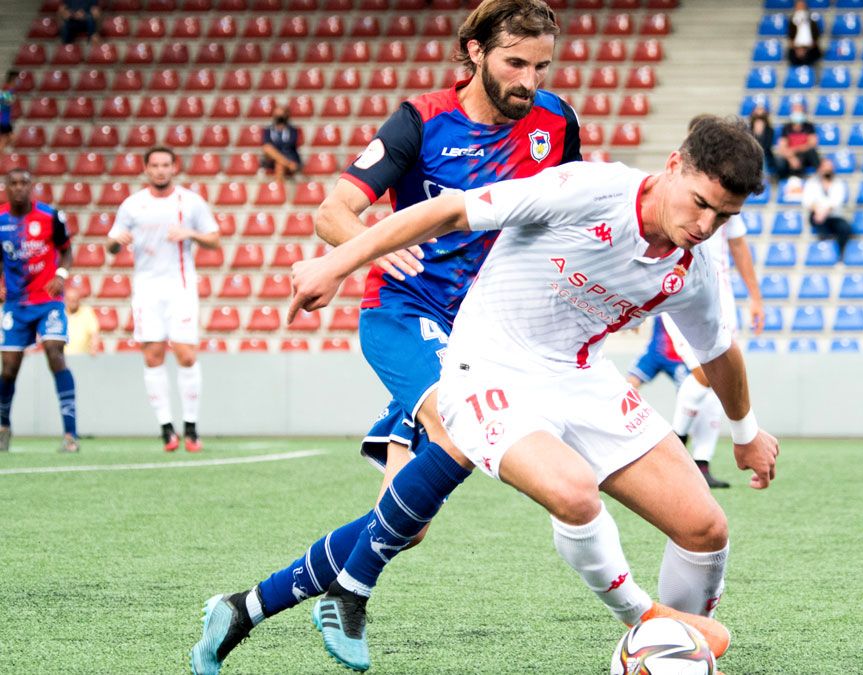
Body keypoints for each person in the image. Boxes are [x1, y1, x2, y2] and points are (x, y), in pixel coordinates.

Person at [288, 114, 779, 671]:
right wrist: (338, 263)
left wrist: (745, 432)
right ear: (673, 166)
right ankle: (647, 620)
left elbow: (719, 350)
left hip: (580, 376)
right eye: (700, 203)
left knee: (706, 529)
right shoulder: (590, 190)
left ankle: (659, 660)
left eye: (725, 216)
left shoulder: (694, 267)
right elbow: (449, 210)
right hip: (488, 366)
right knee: (572, 492)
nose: (707, 224)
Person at [189, 2, 580, 673]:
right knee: (463, 428)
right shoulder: (420, 120)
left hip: (483, 338)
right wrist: (367, 249)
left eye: (541, 65)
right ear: (474, 52)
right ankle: (351, 590)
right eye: (516, 62)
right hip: (404, 314)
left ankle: (242, 607)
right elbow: (332, 211)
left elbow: (565, 216)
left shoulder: (555, 122)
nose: (530, 79)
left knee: (408, 522)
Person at [107, 147, 220, 453]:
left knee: (185, 354)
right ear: (146, 168)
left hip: (180, 287)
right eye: (154, 165)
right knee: (153, 355)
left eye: (165, 165)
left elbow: (214, 238)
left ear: (174, 167)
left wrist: (190, 233)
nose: (160, 170)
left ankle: (192, 429)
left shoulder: (189, 201)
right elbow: (111, 244)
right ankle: (167, 429)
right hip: (146, 289)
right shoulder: (133, 205)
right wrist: (117, 243)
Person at [660, 210, 764, 490]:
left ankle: (700, 463)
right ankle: (675, 444)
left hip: (721, 295)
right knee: (704, 372)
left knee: (720, 378)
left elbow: (739, 245)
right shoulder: (680, 192)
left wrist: (755, 296)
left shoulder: (729, 197)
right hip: (679, 288)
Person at [0, 168, 78, 454]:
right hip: (16, 304)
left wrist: (61, 274)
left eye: (24, 183)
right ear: (6, 187)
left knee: (55, 353)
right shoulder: (0, 221)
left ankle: (71, 434)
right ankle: (3, 427)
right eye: (13, 183)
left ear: (31, 186)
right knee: (8, 368)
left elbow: (67, 250)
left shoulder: (50, 216)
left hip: (48, 300)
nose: (19, 188)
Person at [800, 157, 852, 258]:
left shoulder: (838, 183)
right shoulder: (812, 183)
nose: (827, 170)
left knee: (845, 228)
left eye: (829, 168)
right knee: (820, 226)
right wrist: (818, 211)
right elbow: (807, 201)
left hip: (833, 216)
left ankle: (840, 254)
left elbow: (837, 201)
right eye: (825, 167)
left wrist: (824, 211)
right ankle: (824, 254)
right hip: (816, 215)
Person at [773, 100, 819, 182]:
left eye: (799, 110)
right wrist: (791, 158)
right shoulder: (786, 128)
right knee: (779, 160)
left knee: (811, 153)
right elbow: (782, 147)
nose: (797, 113)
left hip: (804, 155)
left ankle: (816, 176)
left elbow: (812, 144)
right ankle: (782, 181)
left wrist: (794, 150)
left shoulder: (809, 127)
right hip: (790, 155)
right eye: (795, 110)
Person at [260, 104, 301, 183]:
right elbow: (266, 144)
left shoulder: (292, 130)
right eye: (277, 115)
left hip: (289, 157)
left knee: (279, 165)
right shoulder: (269, 130)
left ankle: (279, 191)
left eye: (281, 115)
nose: (279, 117)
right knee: (267, 148)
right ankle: (287, 164)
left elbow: (290, 145)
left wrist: (279, 155)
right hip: (272, 160)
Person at [64, 284, 100, 356]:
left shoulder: (87, 312)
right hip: (63, 358)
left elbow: (94, 333)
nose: (72, 302)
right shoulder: (60, 314)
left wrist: (94, 346)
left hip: (82, 357)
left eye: (75, 299)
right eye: (70, 300)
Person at [786, 0, 822, 67]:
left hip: (810, 48)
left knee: (813, 55)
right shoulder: (792, 21)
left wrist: (807, 48)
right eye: (799, 7)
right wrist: (797, 49)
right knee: (791, 56)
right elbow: (790, 37)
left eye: (802, 6)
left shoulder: (812, 20)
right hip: (795, 48)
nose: (801, 8)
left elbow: (816, 36)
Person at [747, 104, 775, 176]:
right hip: (750, 154)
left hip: (765, 155)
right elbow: (748, 145)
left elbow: (767, 146)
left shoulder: (770, 130)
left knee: (761, 157)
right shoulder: (748, 130)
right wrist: (755, 133)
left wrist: (760, 134)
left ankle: (763, 179)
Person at [0, 71, 16, 154]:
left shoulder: (9, 91)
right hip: (3, 121)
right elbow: (9, 101)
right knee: (5, 140)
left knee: (11, 139)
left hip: (5, 120)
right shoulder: (5, 92)